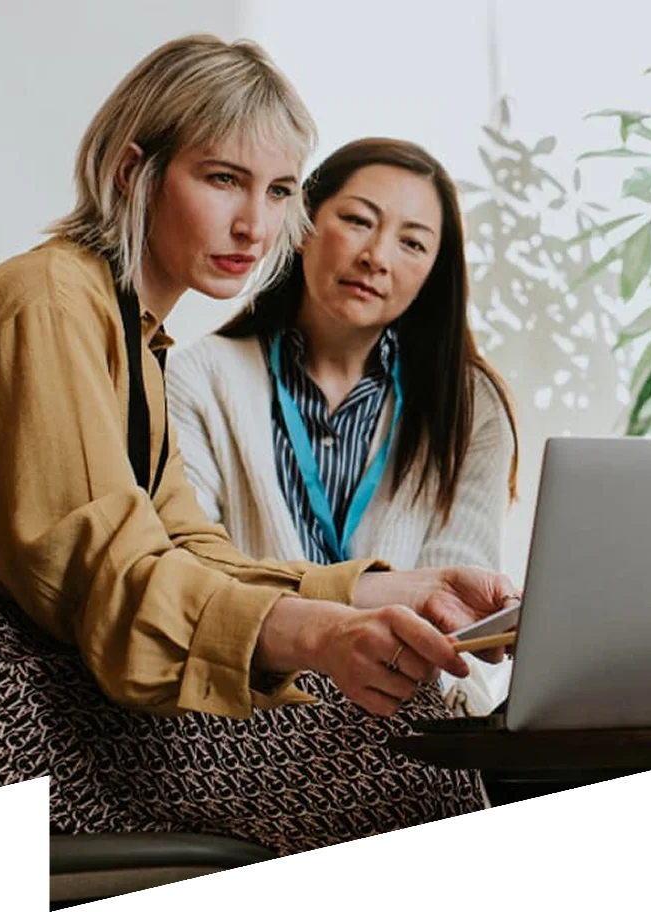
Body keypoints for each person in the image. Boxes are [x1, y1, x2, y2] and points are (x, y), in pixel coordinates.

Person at [0, 35, 514, 847]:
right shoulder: (51, 305)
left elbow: (188, 547)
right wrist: (320, 634)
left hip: (40, 668)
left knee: (407, 723)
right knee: (401, 748)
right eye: (222, 179)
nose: (255, 224)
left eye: (278, 191)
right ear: (133, 172)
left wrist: (389, 592)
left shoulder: (129, 331)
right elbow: (114, 584)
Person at [165, 137, 520, 718]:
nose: (376, 256)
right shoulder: (198, 379)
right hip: (246, 706)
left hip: (408, 707)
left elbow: (459, 622)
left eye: (412, 243)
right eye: (357, 221)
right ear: (302, 224)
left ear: (433, 270)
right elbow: (194, 577)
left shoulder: (470, 405)